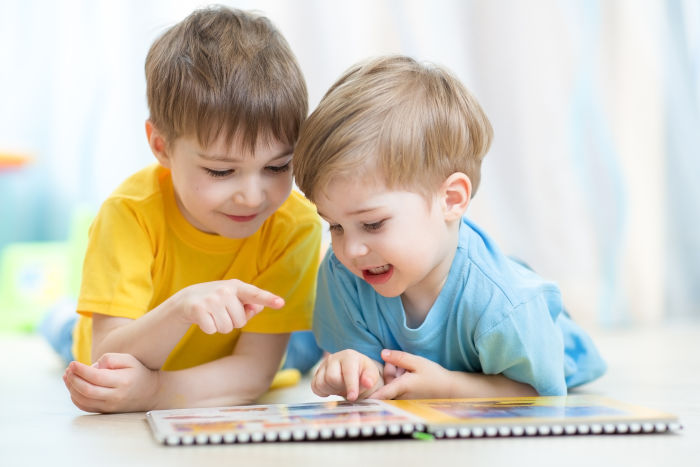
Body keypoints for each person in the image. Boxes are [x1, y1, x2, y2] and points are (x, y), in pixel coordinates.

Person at [292, 55, 606, 402]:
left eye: (372, 224)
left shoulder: (505, 306)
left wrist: (450, 386)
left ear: (452, 199)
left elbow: (543, 393)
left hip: (544, 345)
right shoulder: (343, 275)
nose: (349, 250)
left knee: (509, 296)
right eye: (334, 226)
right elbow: (373, 378)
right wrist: (351, 368)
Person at [59, 5, 321, 413]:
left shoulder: (294, 223)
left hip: (234, 356)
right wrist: (181, 309)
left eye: (277, 166)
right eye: (221, 171)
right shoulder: (129, 213)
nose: (254, 197)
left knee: (305, 349)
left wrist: (152, 393)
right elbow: (104, 362)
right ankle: (58, 318)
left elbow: (253, 373)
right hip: (130, 343)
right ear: (161, 146)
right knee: (63, 335)